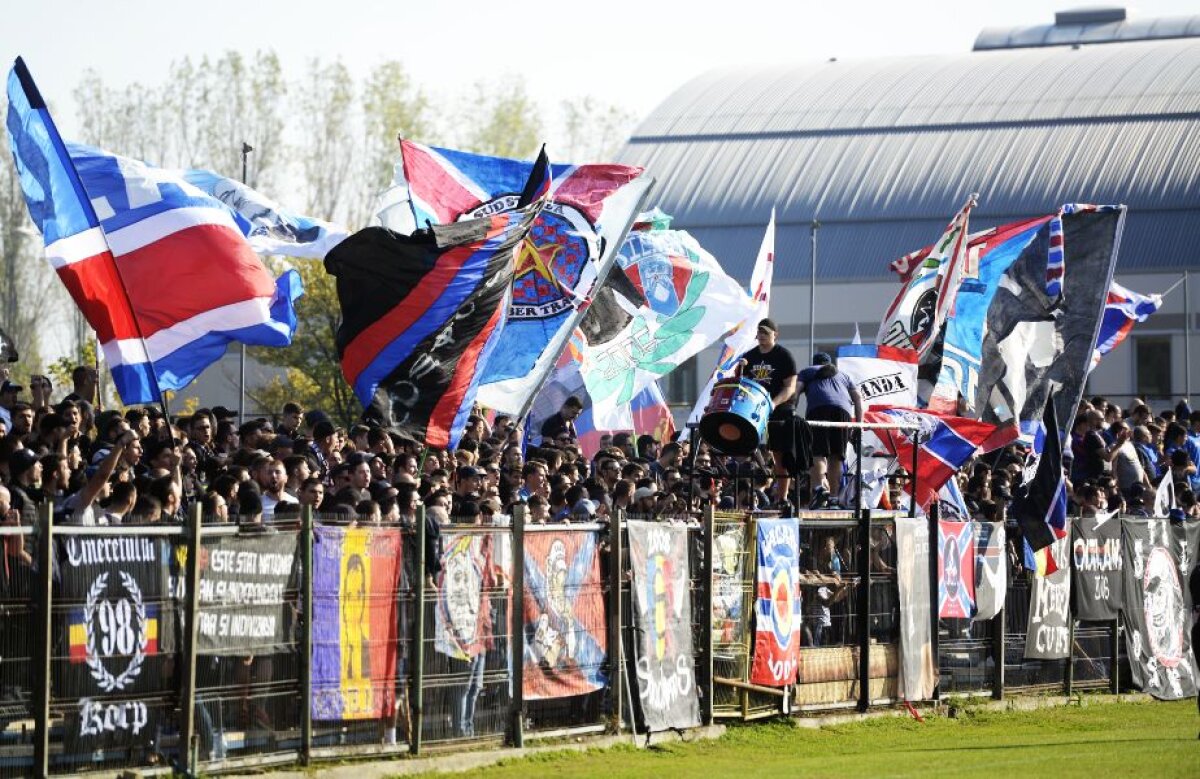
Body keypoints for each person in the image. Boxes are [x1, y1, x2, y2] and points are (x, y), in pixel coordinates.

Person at [739, 318, 799, 508]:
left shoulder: (784, 356)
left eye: (766, 332)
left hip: (780, 408)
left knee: (780, 454)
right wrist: (739, 368)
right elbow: (741, 382)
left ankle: (782, 498)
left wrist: (772, 403)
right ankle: (745, 496)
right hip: (754, 409)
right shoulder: (750, 356)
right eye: (760, 332)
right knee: (744, 447)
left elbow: (790, 387)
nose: (762, 336)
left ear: (775, 334)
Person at [796, 352, 862, 507]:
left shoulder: (807, 371)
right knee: (836, 456)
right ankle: (833, 498)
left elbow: (795, 392)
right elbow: (858, 399)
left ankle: (819, 489)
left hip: (818, 410)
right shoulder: (844, 376)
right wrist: (859, 424)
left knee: (817, 452)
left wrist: (791, 412)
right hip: (843, 412)